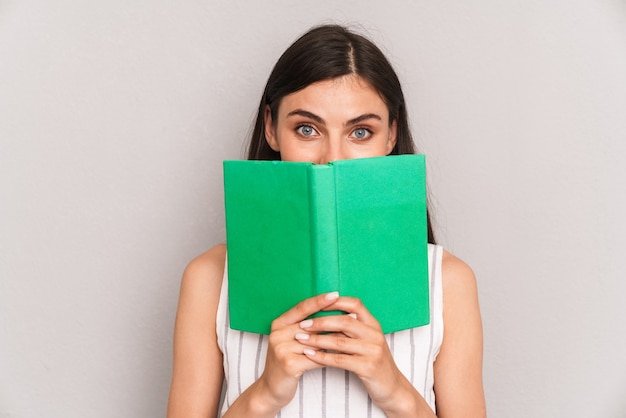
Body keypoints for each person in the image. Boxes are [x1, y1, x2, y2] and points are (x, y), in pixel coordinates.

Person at [167, 24, 485, 418]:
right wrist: (265, 394)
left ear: (391, 137)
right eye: (307, 129)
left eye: (361, 132)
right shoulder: (210, 278)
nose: (331, 158)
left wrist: (393, 388)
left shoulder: (448, 281)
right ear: (271, 128)